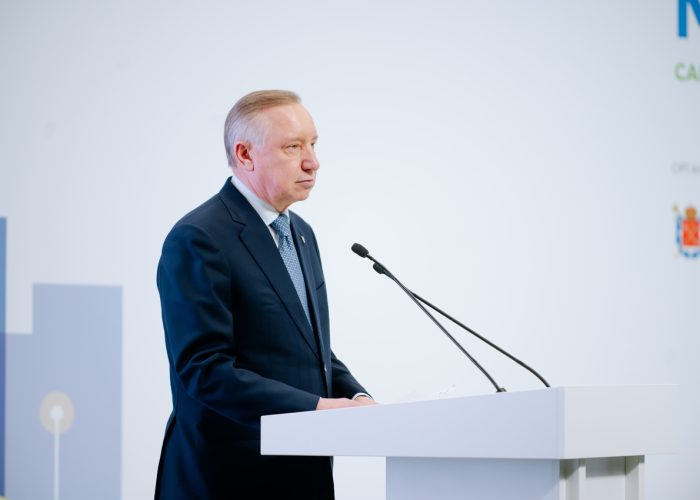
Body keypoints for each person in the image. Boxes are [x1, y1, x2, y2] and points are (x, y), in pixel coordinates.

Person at [155, 90, 373, 499]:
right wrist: (318, 408)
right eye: (293, 147)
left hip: (303, 472)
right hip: (228, 478)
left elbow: (311, 349)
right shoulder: (199, 238)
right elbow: (205, 370)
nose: (312, 162)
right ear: (245, 155)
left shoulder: (301, 234)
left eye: (313, 144)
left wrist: (359, 398)